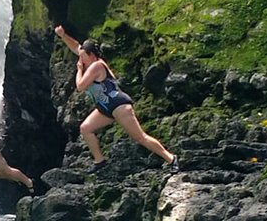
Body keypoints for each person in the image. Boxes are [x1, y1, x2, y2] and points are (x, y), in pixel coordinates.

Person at [53, 27, 176, 173]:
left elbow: (80, 86)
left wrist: (79, 70)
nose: (81, 60)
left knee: (140, 137)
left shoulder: (97, 65)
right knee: (85, 128)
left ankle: (171, 158)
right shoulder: (89, 59)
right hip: (105, 108)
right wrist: (63, 35)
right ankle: (100, 161)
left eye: (83, 57)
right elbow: (76, 46)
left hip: (119, 105)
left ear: (91, 55)